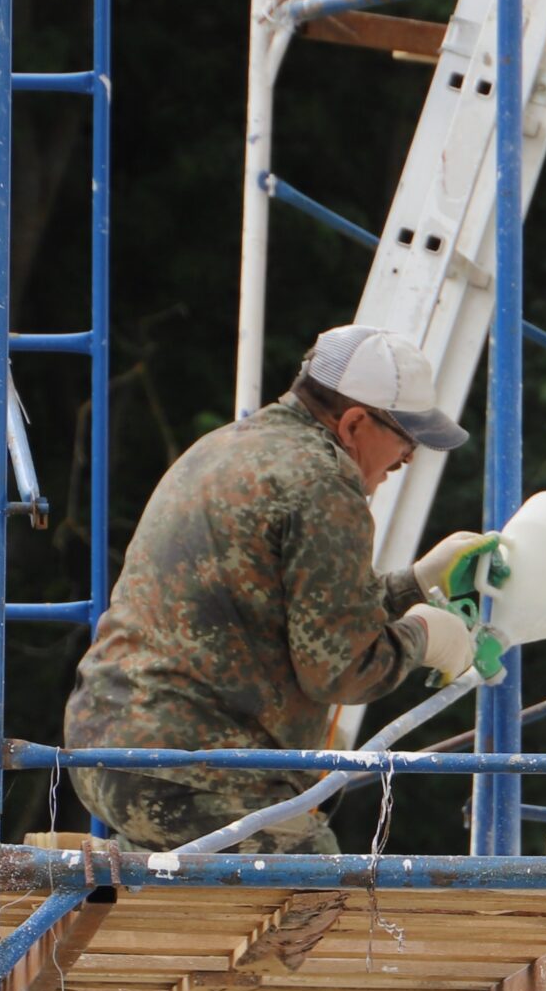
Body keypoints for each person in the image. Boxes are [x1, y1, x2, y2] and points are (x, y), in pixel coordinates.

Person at [64, 323, 485, 854]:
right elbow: (340, 669)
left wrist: (413, 586)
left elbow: (295, 621)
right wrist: (423, 639)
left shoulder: (226, 446)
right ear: (354, 423)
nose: (407, 460)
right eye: (405, 442)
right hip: (194, 773)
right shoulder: (325, 483)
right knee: (319, 898)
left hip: (109, 752)